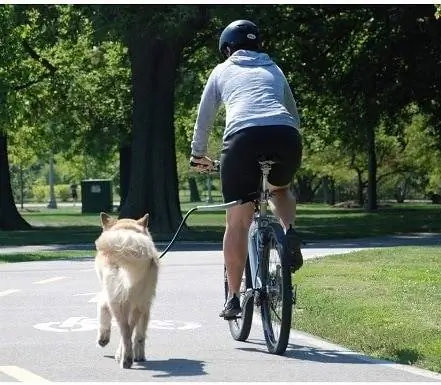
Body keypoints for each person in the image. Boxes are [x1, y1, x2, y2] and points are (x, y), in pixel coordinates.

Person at [189, 19, 303, 319]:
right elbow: (293, 113)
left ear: (227, 48)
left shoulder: (222, 70)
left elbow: (205, 118)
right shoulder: (274, 69)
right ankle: (289, 233)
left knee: (237, 222)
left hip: (243, 139)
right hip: (285, 136)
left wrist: (198, 154)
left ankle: (234, 297)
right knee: (279, 189)